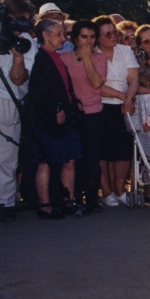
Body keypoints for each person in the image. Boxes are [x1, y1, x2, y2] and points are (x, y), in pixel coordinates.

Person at [25, 16, 82, 219]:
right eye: (58, 34)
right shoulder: (42, 60)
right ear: (45, 35)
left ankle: (69, 201)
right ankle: (45, 206)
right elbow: (38, 93)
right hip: (49, 120)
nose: (63, 38)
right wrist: (55, 111)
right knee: (45, 161)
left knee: (69, 159)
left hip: (65, 117)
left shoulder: (55, 57)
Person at [0, 0, 38, 221]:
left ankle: (5, 203)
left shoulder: (25, 43)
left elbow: (19, 79)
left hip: (6, 99)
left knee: (6, 156)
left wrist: (18, 57)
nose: (22, 25)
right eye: (18, 20)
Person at [60, 19, 107, 213]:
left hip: (93, 113)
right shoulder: (63, 58)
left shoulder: (99, 58)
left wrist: (87, 58)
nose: (88, 41)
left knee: (91, 159)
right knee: (73, 159)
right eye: (84, 37)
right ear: (76, 38)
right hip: (73, 114)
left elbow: (97, 83)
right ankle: (74, 198)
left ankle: (92, 201)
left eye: (92, 37)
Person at [95, 16, 139, 207]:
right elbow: (95, 84)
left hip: (124, 104)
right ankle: (106, 192)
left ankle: (120, 190)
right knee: (102, 152)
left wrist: (128, 98)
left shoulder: (125, 50)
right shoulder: (92, 53)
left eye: (114, 32)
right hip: (99, 104)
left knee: (122, 149)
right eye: (107, 33)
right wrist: (123, 96)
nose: (112, 36)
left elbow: (134, 78)